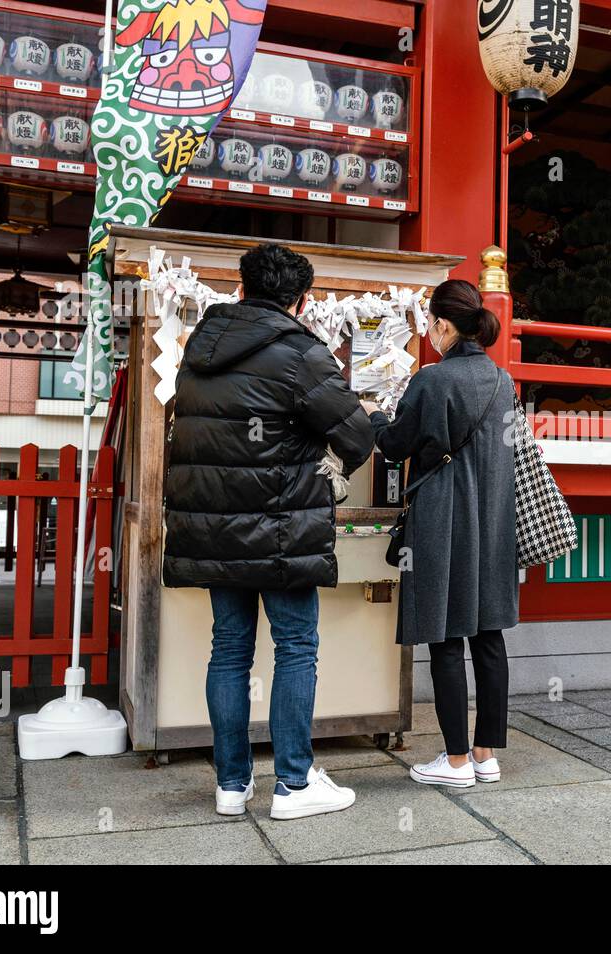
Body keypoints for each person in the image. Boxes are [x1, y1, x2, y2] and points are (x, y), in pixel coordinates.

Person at [163, 242, 374, 820]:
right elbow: (356, 435)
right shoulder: (300, 353)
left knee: (228, 650)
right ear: (300, 300)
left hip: (212, 526)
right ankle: (293, 785)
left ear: (241, 288)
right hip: (282, 527)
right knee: (295, 648)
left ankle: (231, 785)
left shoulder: (198, 350)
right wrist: (324, 465)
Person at [361, 279, 519, 788]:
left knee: (448, 636)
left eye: (430, 322)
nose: (428, 331)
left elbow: (395, 444)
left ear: (444, 326)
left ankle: (453, 762)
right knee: (488, 636)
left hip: (442, 517)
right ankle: (484, 754)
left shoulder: (432, 381)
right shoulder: (502, 381)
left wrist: (375, 416)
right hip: (492, 520)